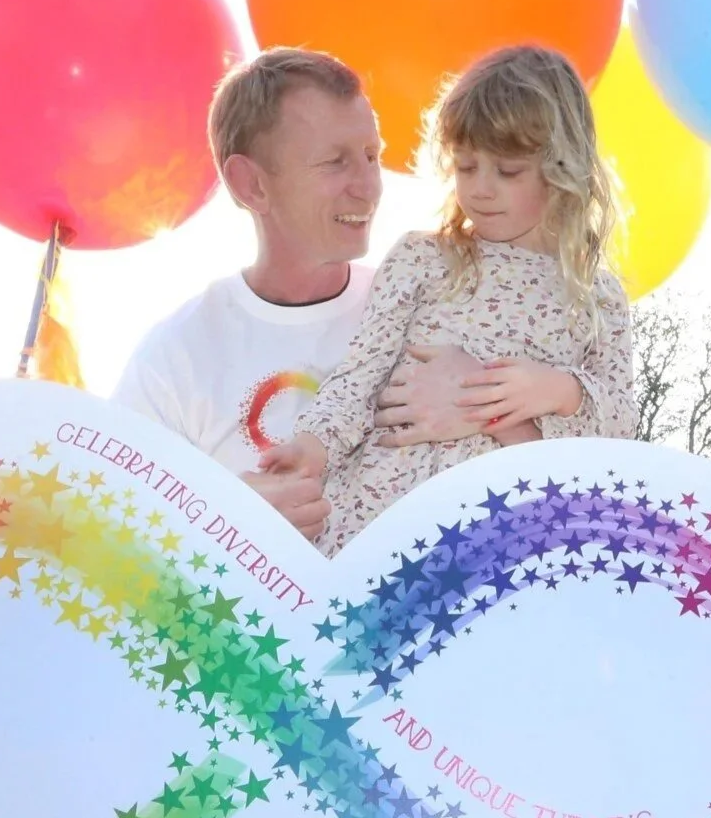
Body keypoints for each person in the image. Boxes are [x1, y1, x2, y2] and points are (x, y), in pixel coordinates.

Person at [112, 48, 496, 543]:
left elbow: (543, 484)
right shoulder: (173, 360)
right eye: (335, 163)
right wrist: (225, 520)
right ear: (251, 184)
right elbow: (111, 541)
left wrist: (487, 402)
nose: (368, 187)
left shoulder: (433, 311)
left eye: (371, 156)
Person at [264, 45, 637, 555]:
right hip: (382, 521)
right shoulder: (425, 258)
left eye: (507, 171)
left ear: (562, 168)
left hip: (506, 544)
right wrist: (311, 447)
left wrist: (559, 389)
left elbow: (618, 433)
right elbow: (359, 378)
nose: (481, 189)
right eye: (465, 167)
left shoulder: (597, 297)